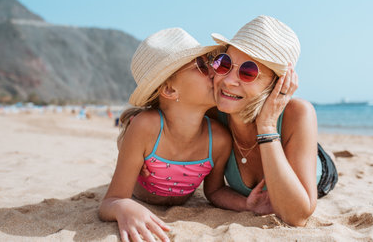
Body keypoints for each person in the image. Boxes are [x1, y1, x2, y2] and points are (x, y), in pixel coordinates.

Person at [99, 28, 269, 242]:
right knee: (133, 129)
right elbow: (110, 201)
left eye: (210, 61)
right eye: (200, 66)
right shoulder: (147, 128)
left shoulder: (218, 139)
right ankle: (124, 139)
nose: (214, 71)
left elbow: (214, 191)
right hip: (141, 179)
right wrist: (125, 206)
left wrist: (246, 204)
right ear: (170, 90)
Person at [207, 15, 338, 226]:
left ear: (277, 84)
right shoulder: (213, 116)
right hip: (286, 141)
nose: (229, 81)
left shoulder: (299, 113)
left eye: (248, 72)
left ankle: (326, 154)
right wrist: (246, 205)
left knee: (321, 157)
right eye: (225, 64)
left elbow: (297, 216)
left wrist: (266, 126)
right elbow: (213, 191)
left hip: (319, 170)